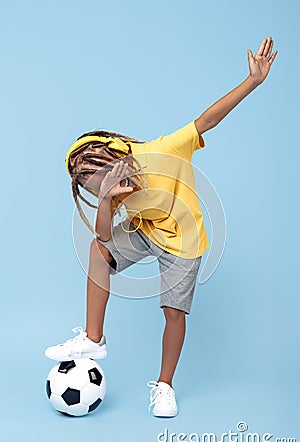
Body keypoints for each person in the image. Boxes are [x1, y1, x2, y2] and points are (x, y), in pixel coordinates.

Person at [44, 36, 277, 417]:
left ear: (114, 156)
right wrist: (105, 197)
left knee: (173, 312)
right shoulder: (111, 190)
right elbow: (103, 236)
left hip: (183, 241)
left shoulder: (161, 151)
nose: (98, 186)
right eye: (89, 185)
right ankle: (93, 338)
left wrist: (252, 81)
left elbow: (208, 119)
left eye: (97, 176)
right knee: (97, 252)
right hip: (146, 230)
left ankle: (165, 385)